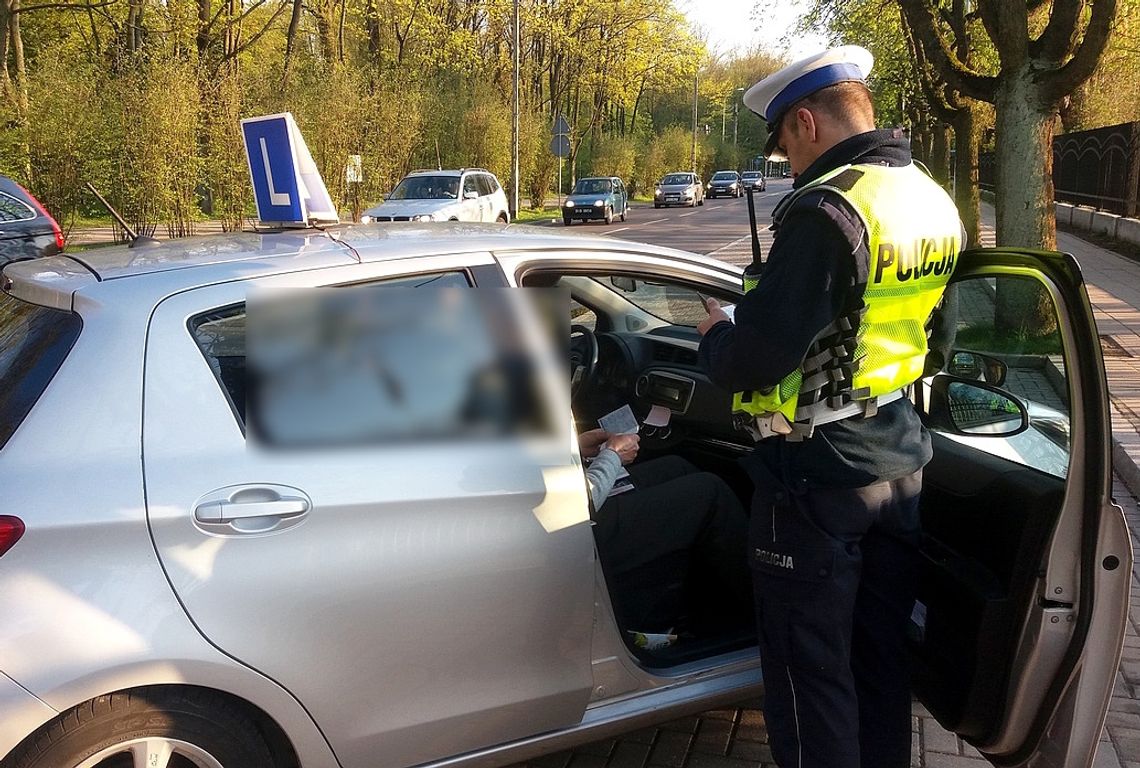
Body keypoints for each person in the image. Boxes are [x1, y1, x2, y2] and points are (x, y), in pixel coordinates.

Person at [695, 46, 963, 768]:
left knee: (809, 678)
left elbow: (757, 358)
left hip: (815, 483)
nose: (786, 161)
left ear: (806, 121)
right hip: (900, 467)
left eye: (783, 144)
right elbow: (938, 339)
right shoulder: (931, 200)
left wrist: (716, 335)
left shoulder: (827, 209)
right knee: (879, 661)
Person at [577, 428, 752, 639]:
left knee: (675, 467)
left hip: (570, 504)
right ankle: (766, 607)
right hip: (574, 532)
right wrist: (613, 455)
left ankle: (708, 607)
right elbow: (576, 504)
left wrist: (577, 449)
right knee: (710, 493)